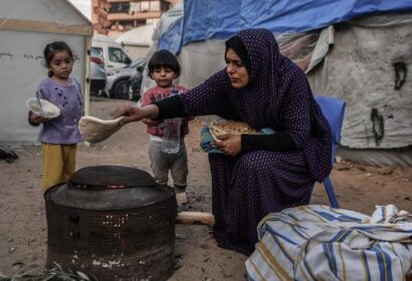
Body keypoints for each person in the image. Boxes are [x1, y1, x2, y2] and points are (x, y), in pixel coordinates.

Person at [115, 29, 332, 255]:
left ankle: (264, 235)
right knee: (219, 154)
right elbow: (188, 101)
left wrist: (244, 143)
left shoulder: (290, 79)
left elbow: (297, 136)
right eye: (228, 62)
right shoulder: (227, 80)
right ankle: (234, 230)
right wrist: (144, 111)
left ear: (257, 61)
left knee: (253, 163)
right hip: (262, 137)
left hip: (301, 148)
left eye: (238, 63)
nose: (230, 70)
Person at [28, 41, 84, 191]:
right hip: (53, 140)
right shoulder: (45, 86)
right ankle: (51, 202)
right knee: (53, 175)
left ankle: (63, 201)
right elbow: (35, 112)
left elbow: (79, 108)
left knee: (68, 173)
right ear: (48, 65)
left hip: (71, 137)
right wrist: (34, 119)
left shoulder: (76, 84)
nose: (64, 66)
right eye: (57, 63)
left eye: (68, 61)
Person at [141, 50, 192, 210]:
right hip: (157, 143)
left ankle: (181, 203)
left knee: (180, 174)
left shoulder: (182, 92)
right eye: (157, 71)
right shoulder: (150, 95)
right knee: (160, 177)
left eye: (167, 71)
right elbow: (144, 117)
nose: (163, 75)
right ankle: (161, 205)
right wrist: (161, 116)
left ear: (175, 72)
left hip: (178, 143)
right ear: (151, 74)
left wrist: (183, 116)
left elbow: (193, 111)